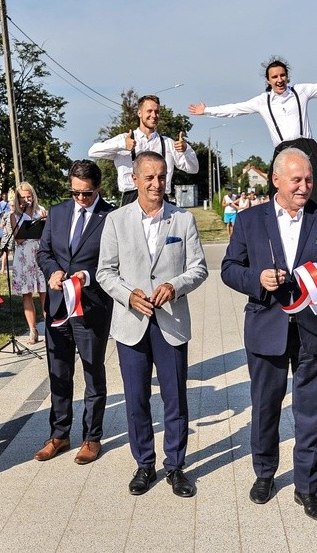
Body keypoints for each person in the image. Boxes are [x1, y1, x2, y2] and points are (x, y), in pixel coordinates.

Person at [221, 148, 317, 522]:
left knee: (312, 412)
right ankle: (264, 474)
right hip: (268, 327)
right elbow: (229, 268)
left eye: (309, 180)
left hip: (314, 328)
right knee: (265, 407)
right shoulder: (250, 220)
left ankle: (307, 487)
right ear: (276, 179)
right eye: (297, 180)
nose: (304, 187)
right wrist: (257, 281)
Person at [96, 151, 208, 497]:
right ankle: (144, 464)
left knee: (175, 398)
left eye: (161, 177)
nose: (156, 184)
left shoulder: (183, 220)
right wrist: (128, 295)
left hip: (171, 321)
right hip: (132, 322)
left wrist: (175, 285)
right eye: (149, 177)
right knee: (136, 399)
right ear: (134, 180)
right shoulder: (116, 220)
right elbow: (105, 272)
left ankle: (175, 466)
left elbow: (199, 268)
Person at [189, 58, 317, 206]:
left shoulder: (301, 91)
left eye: (282, 75)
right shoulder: (262, 101)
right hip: (282, 150)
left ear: (287, 76)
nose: (279, 80)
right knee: (280, 197)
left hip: (306, 148)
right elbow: (234, 109)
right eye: (275, 77)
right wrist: (206, 111)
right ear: (268, 80)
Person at [33, 160, 115, 465]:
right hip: (57, 307)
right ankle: (59, 434)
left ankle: (92, 438)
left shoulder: (111, 217)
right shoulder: (57, 212)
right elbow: (45, 252)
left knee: (93, 373)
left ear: (98, 188)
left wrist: (86, 277)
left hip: (91, 307)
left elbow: (113, 260)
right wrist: (53, 271)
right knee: (59, 373)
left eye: (87, 194)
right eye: (76, 193)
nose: (80, 199)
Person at [89, 94, 199, 206]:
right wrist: (122, 145)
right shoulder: (124, 139)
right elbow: (93, 152)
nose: (154, 115)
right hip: (131, 198)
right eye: (149, 111)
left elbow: (193, 168)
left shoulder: (168, 143)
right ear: (139, 113)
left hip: (160, 197)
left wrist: (185, 150)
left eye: (156, 112)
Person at [10, 182, 48, 344]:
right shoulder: (14, 216)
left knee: (44, 292)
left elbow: (48, 233)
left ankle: (49, 328)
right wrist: (32, 227)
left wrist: (42, 222)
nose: (26, 200)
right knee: (27, 293)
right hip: (24, 257)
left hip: (39, 254)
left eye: (28, 196)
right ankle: (33, 330)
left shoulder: (41, 211)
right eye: (22, 197)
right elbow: (18, 239)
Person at [0, 192, 11, 274]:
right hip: (3, 222)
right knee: (2, 238)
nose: (5, 197)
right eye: (4, 196)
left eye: (6, 195)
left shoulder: (9, 203)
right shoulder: (0, 204)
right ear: (2, 196)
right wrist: (3, 217)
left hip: (10, 224)